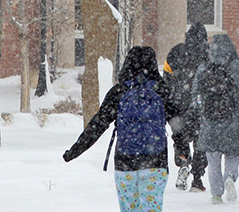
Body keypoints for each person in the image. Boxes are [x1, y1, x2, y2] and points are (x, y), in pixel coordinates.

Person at [63, 45, 183, 212]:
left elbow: (98, 124)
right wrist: (183, 151)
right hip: (156, 162)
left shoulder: (118, 92)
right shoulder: (162, 91)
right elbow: (178, 125)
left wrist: (75, 150)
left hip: (125, 163)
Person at [195, 33, 239, 204]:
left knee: (212, 158)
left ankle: (216, 194)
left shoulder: (205, 66)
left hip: (209, 119)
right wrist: (237, 109)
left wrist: (203, 110)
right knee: (233, 153)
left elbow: (196, 92)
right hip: (231, 118)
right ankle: (230, 177)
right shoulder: (237, 66)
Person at [164, 23, 210, 192]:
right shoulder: (209, 54)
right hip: (200, 105)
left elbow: (166, 78)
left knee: (180, 136)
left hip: (177, 105)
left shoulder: (175, 52)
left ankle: (183, 163)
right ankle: (197, 178)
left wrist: (169, 99)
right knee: (200, 142)